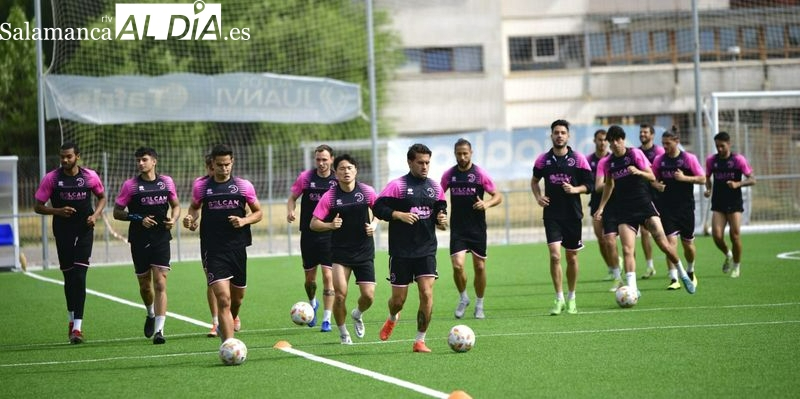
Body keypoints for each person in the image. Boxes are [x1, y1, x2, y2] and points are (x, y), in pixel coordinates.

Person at [595, 125, 695, 297]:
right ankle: (633, 289)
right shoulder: (609, 162)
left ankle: (683, 273)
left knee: (663, 243)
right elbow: (609, 185)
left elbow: (652, 176)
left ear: (622, 140)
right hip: (624, 210)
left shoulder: (635, 154)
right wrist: (601, 208)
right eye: (612, 142)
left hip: (644, 205)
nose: (615, 144)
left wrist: (638, 172)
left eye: (618, 141)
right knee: (627, 249)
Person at [183, 144, 262, 342]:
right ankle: (228, 343)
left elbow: (258, 213)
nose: (224, 168)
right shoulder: (202, 186)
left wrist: (243, 221)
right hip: (213, 249)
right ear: (213, 164)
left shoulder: (244, 186)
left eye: (227, 164)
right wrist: (190, 219)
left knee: (237, 299)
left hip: (237, 248)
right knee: (223, 299)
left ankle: (232, 319)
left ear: (232, 162)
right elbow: (193, 208)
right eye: (220, 165)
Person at [373, 143, 448, 353]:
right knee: (398, 301)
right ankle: (392, 317)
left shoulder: (435, 188)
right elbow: (378, 207)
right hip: (401, 252)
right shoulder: (397, 186)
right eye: (420, 162)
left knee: (426, 293)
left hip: (426, 250)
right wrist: (398, 215)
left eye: (427, 163)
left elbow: (441, 212)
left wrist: (441, 219)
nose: (425, 166)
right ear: (410, 162)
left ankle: (420, 340)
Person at [34, 141, 107, 344]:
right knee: (69, 278)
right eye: (62, 157)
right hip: (63, 231)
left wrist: (95, 215)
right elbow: (38, 206)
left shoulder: (89, 176)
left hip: (84, 230)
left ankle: (77, 328)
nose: (65, 160)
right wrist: (57, 211)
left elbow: (102, 198)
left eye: (69, 156)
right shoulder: (52, 178)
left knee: (80, 276)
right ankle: (70, 319)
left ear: (78, 156)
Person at [113, 147, 181, 344]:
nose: (140, 163)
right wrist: (138, 218)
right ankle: (150, 313)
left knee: (160, 282)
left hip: (161, 238)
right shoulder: (130, 186)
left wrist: (174, 220)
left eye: (144, 160)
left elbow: (176, 205)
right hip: (139, 239)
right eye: (138, 160)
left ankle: (159, 331)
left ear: (154, 161)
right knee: (145, 285)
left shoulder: (166, 182)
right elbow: (117, 212)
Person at [310, 154, 378, 345]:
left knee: (368, 296)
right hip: (340, 253)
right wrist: (330, 225)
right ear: (336, 173)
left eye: (349, 168)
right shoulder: (330, 196)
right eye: (342, 168)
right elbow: (314, 224)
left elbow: (381, 211)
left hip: (364, 251)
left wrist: (374, 224)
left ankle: (357, 314)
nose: (346, 171)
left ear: (355, 170)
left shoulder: (366, 191)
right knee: (340, 294)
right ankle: (343, 333)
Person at [531, 120, 593, 315]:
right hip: (552, 215)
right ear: (551, 136)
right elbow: (534, 181)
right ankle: (558, 298)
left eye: (563, 132)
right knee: (555, 255)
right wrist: (538, 197)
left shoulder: (579, 159)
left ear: (568, 136)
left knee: (571, 257)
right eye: (556, 132)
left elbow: (589, 186)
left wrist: (575, 189)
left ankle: (572, 297)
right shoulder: (543, 160)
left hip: (572, 215)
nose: (559, 135)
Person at [440, 138, 503, 320]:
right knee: (458, 266)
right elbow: (438, 195)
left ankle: (480, 304)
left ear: (471, 153)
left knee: (480, 267)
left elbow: (497, 195)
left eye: (465, 153)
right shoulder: (449, 175)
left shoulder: (479, 174)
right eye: (459, 153)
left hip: (477, 229)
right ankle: (463, 298)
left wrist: (487, 203)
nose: (462, 156)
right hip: (458, 229)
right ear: (455, 154)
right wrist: (440, 214)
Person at [287, 144, 337, 332]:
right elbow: (292, 198)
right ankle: (313, 303)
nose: (321, 163)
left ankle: (327, 318)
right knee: (310, 279)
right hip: (308, 234)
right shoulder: (306, 178)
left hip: (330, 234)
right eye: (318, 159)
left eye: (325, 159)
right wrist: (291, 211)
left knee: (328, 276)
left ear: (332, 159)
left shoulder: (337, 179)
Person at [651, 130, 706, 290]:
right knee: (670, 243)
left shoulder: (688, 159)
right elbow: (651, 178)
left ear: (676, 141)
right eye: (663, 143)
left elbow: (702, 178)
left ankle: (690, 270)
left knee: (688, 244)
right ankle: (674, 278)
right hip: (666, 209)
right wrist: (656, 185)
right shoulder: (659, 160)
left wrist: (684, 178)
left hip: (686, 208)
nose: (665, 147)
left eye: (668, 143)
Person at [704, 131, 756, 278]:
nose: (719, 149)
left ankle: (737, 266)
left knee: (735, 236)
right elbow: (707, 177)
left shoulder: (738, 160)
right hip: (718, 203)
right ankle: (728, 254)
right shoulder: (711, 161)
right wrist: (708, 189)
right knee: (717, 236)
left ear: (729, 144)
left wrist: (738, 183)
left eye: (722, 146)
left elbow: (752, 179)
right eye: (717, 146)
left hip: (734, 203)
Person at [587, 129, 621, 284]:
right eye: (599, 139)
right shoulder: (588, 160)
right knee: (601, 239)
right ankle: (611, 267)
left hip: (615, 202)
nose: (602, 143)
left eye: (604, 140)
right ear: (595, 141)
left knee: (613, 239)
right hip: (596, 202)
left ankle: (620, 267)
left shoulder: (612, 159)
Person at [638, 124, 665, 279]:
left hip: (660, 195)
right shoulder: (636, 152)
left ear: (652, 135)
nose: (642, 134)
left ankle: (673, 268)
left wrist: (659, 184)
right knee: (644, 232)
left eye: (645, 132)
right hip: (644, 195)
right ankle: (649, 266)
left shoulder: (659, 152)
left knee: (663, 231)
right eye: (641, 132)